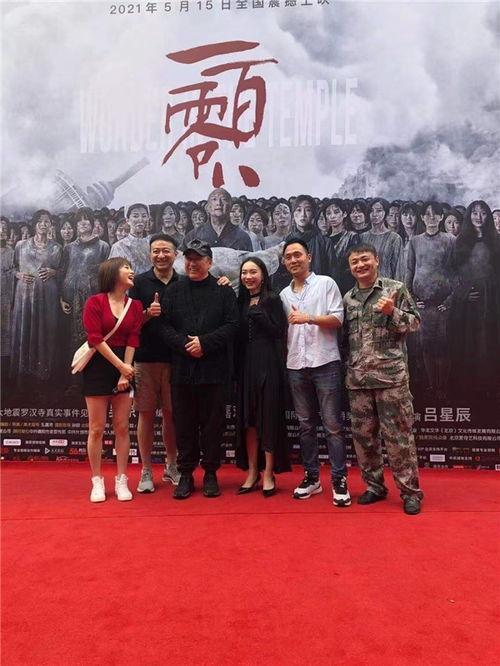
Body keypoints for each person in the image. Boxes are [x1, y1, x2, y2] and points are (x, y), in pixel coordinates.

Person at [344, 243, 423, 515]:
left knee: (399, 438)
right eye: (355, 262)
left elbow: (415, 323)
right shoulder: (348, 298)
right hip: (358, 380)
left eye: (365, 259)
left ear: (376, 260)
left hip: (391, 380)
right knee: (364, 439)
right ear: (350, 267)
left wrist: (393, 312)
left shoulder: (395, 289)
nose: (360, 265)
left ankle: (410, 492)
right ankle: (375, 487)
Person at [158, 239, 239, 499]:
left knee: (214, 424)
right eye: (189, 259)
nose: (192, 263)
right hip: (182, 370)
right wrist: (186, 345)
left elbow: (232, 325)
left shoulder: (223, 291)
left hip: (214, 369)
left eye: (198, 259)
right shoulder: (173, 290)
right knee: (184, 424)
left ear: (209, 262)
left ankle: (211, 473)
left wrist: (205, 343)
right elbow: (163, 327)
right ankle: (186, 474)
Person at [280, 239, 350, 507]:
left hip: (325, 362)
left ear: (308, 257)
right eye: (288, 256)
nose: (293, 260)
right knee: (306, 426)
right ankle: (312, 478)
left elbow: (337, 319)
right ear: (284, 262)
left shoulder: (325, 283)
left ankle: (339, 479)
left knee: (332, 426)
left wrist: (308, 317)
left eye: (298, 254)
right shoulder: (283, 294)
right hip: (296, 365)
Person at [82, 257, 143, 503]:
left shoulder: (135, 305)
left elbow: (133, 339)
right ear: (112, 273)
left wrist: (125, 372)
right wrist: (121, 367)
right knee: (96, 428)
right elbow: (95, 338)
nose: (131, 271)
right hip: (98, 365)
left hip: (124, 366)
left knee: (122, 426)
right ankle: (97, 480)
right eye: (126, 267)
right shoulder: (95, 302)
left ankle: (121, 479)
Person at [128, 233, 181, 492]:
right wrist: (148, 314)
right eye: (156, 251)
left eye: (166, 251)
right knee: (146, 415)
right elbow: (128, 324)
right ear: (149, 254)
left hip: (175, 360)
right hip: (145, 359)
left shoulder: (183, 282)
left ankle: (172, 465)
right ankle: (146, 469)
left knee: (171, 416)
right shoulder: (138, 283)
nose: (161, 255)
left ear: (175, 254)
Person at [235, 257, 290, 496]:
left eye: (253, 272)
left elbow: (279, 331)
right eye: (244, 272)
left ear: (263, 274)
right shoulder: (239, 301)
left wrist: (261, 316)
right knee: (248, 420)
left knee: (268, 418)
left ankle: (268, 472)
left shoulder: (272, 299)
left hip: (268, 362)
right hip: (245, 364)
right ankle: (252, 471)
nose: (248, 277)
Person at [449, 201, 500, 396]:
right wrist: (463, 293)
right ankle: (468, 388)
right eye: (475, 213)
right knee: (468, 341)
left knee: (490, 340)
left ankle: (490, 387)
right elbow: (451, 272)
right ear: (469, 216)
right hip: (468, 301)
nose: (479, 217)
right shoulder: (460, 241)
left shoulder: (496, 240)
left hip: (493, 299)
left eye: (483, 213)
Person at [405, 202, 456, 399]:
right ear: (422, 218)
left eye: (435, 214)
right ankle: (432, 385)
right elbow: (410, 271)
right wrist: (412, 297)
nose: (431, 217)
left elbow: (456, 272)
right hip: (422, 303)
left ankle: (442, 387)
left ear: (441, 217)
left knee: (443, 345)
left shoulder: (450, 240)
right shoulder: (415, 241)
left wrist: (450, 300)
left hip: (443, 303)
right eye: (427, 214)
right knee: (425, 345)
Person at [10, 210, 62, 393]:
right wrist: (19, 275)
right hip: (24, 296)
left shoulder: (57, 247)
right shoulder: (20, 245)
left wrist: (54, 272)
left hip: (48, 296)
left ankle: (43, 377)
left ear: (51, 225)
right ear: (34, 224)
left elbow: (63, 270)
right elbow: (12, 268)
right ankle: (22, 376)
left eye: (47, 221)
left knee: (45, 332)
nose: (43, 224)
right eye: (40, 221)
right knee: (24, 330)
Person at [183, 189, 252, 251]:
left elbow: (249, 261)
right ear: (208, 207)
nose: (219, 203)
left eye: (224, 199)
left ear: (230, 206)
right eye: (214, 199)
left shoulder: (243, 237)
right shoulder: (192, 236)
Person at [286, 195, 335, 277]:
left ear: (313, 214)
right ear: (293, 214)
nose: (303, 214)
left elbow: (333, 274)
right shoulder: (287, 241)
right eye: (299, 210)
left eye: (308, 210)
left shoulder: (325, 242)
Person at [324, 198, 360, 295]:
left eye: (336, 212)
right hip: (327, 285)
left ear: (344, 214)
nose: (332, 216)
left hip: (347, 284)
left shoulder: (352, 236)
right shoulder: (323, 239)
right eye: (328, 213)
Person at [361, 198, 403, 279]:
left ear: (386, 213)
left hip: (387, 284)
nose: (374, 214)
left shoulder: (394, 238)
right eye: (371, 211)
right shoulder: (362, 237)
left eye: (379, 211)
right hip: (366, 283)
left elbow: (398, 269)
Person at [109, 203, 151, 273]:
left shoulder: (151, 243)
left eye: (144, 216)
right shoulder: (118, 247)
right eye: (135, 216)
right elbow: (112, 273)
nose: (140, 219)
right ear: (127, 220)